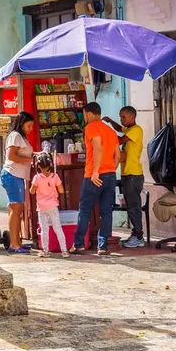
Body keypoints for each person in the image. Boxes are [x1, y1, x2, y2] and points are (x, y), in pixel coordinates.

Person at [71, 102, 122, 256]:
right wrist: (111, 169)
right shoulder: (111, 131)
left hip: (94, 176)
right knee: (106, 211)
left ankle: (78, 244)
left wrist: (95, 172)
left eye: (85, 114)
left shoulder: (91, 127)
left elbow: (98, 148)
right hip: (110, 174)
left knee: (85, 210)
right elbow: (118, 155)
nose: (85, 117)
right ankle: (103, 246)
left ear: (90, 114)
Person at [104, 107, 145, 248]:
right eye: (120, 117)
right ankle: (136, 234)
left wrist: (104, 133)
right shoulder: (129, 128)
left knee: (134, 207)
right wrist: (110, 122)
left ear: (132, 117)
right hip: (128, 174)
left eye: (124, 117)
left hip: (134, 175)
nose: (122, 120)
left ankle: (139, 236)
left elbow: (120, 140)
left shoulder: (136, 130)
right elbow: (120, 128)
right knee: (131, 206)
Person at [0, 111, 35, 253]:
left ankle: (17, 241)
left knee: (15, 210)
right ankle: (15, 244)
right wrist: (30, 160)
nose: (30, 129)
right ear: (22, 124)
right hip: (12, 175)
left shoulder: (22, 137)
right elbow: (11, 156)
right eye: (29, 126)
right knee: (16, 209)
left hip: (17, 176)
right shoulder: (15, 136)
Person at [29, 154, 69, 258]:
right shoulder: (55, 176)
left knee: (44, 230)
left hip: (42, 208)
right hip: (53, 206)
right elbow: (61, 190)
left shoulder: (36, 178)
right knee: (58, 228)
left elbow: (32, 191)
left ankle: (45, 251)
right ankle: (64, 251)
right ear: (50, 164)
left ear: (38, 166)